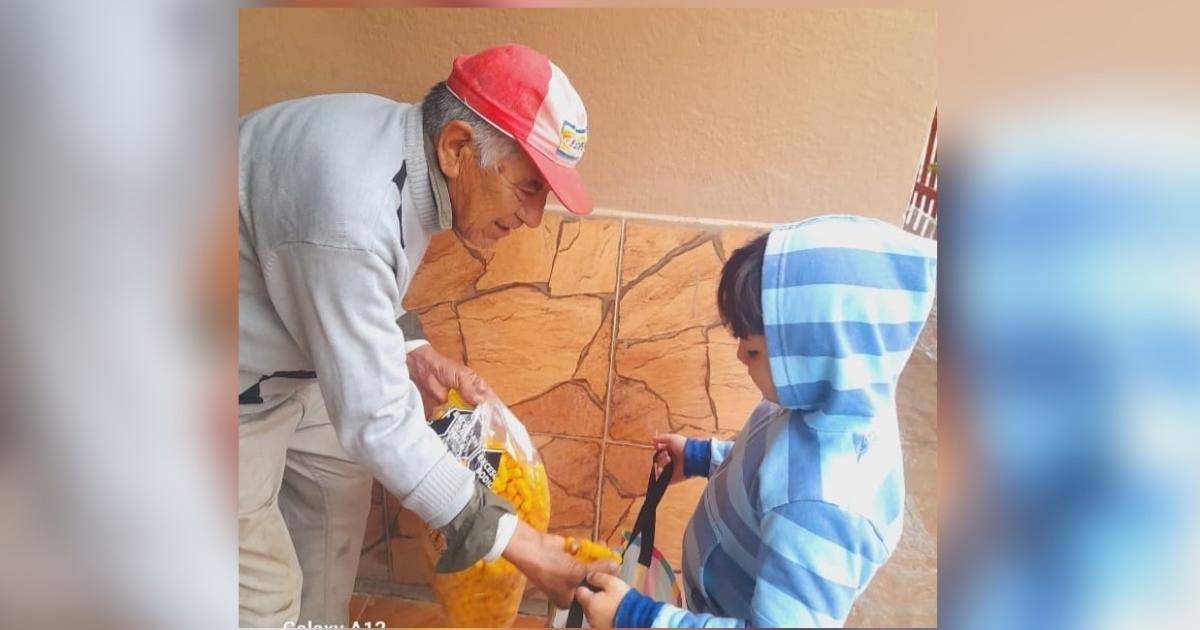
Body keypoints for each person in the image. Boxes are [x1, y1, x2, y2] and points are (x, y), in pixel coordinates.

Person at [238, 44, 611, 627]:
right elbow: (376, 420)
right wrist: (524, 547)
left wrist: (412, 351)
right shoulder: (352, 212)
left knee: (336, 515)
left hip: (288, 360)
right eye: (529, 187)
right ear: (458, 147)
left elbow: (353, 283)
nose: (534, 218)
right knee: (260, 598)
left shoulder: (400, 150)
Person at [574, 216, 937, 627]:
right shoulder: (828, 399)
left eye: (752, 352)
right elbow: (765, 463)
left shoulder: (819, 509)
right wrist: (701, 457)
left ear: (817, 356)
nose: (739, 359)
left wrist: (638, 618)